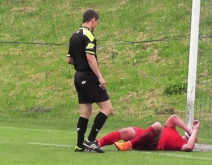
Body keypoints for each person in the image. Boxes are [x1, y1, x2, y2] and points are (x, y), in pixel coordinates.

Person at [66, 9, 112, 153]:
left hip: (78, 76)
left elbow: (69, 60)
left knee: (85, 112)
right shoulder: (89, 35)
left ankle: (79, 145)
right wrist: (99, 76)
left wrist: (79, 63)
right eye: (96, 22)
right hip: (88, 76)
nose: (96, 25)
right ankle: (91, 140)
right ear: (92, 20)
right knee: (107, 108)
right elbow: (90, 58)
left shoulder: (74, 36)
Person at [97, 114, 199, 152]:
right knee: (125, 131)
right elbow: (174, 117)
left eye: (192, 138)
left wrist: (195, 130)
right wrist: (190, 131)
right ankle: (98, 143)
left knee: (157, 126)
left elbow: (189, 147)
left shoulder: (182, 144)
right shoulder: (172, 129)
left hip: (155, 143)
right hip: (146, 135)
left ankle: (127, 145)